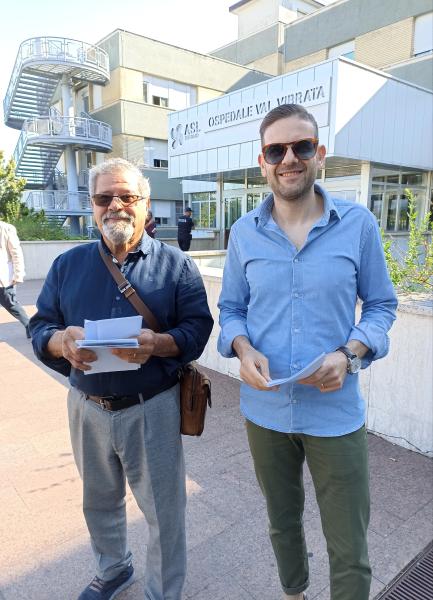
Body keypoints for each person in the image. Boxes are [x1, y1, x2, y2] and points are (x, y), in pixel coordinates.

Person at [217, 104, 397, 600]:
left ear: (319, 154)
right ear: (263, 161)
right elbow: (231, 307)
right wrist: (241, 345)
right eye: (277, 150)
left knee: (349, 545)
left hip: (335, 416)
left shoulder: (357, 225)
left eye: (300, 147)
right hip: (265, 411)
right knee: (282, 524)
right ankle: (293, 593)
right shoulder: (244, 233)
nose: (288, 158)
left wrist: (350, 352)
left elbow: (382, 305)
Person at [30, 158, 213, 600]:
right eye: (103, 198)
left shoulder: (177, 266)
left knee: (164, 512)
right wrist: (60, 342)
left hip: (151, 408)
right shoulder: (67, 265)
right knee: (98, 501)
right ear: (92, 206)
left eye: (126, 196)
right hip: (87, 408)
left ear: (145, 204)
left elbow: (198, 328)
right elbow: (40, 326)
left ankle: (163, 592)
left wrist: (158, 343)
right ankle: (113, 570)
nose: (115, 205)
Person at [0, 219, 30, 338]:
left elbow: (16, 253)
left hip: (3, 277)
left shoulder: (6, 229)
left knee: (11, 304)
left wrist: (18, 274)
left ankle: (29, 325)